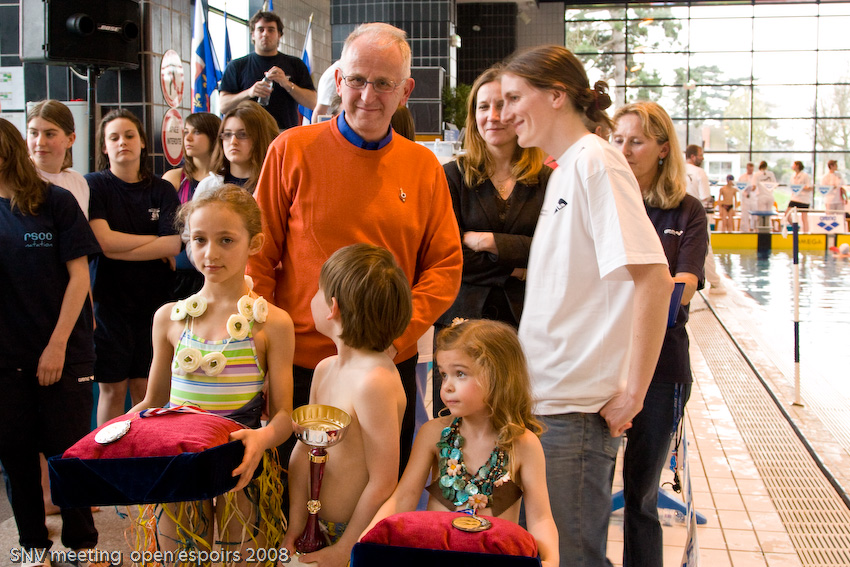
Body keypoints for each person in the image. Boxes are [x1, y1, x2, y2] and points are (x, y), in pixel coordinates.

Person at [247, 23, 463, 475]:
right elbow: (257, 257)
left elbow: (444, 267)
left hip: (385, 366)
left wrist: (394, 339)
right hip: (300, 364)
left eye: (383, 83)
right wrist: (263, 348)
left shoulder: (424, 167)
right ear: (339, 81)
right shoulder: (291, 150)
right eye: (358, 80)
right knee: (295, 496)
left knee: (377, 493)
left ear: (405, 91)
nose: (368, 95)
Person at [499, 45, 673, 567]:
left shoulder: (597, 162)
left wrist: (634, 393)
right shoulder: (565, 169)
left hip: (574, 411)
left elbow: (654, 279)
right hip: (546, 402)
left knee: (571, 558)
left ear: (556, 96)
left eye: (515, 98)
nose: (505, 113)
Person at [130, 184, 295, 558]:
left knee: (244, 559)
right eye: (199, 240)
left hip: (243, 462)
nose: (210, 253)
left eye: (226, 240)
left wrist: (262, 439)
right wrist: (110, 438)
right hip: (179, 461)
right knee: (181, 558)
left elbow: (284, 415)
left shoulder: (272, 324)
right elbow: (151, 403)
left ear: (254, 243)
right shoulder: (169, 319)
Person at [365, 319, 559, 567]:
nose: (447, 386)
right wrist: (366, 540)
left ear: (499, 376)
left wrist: (551, 560)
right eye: (443, 374)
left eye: (460, 374)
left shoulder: (523, 444)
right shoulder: (433, 433)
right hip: (436, 558)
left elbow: (541, 518)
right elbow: (404, 497)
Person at [0, 117, 103, 562]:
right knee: (16, 459)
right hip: (7, 359)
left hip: (63, 351)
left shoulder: (54, 201)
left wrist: (58, 345)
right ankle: (32, 547)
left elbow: (79, 278)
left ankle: (82, 545)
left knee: (68, 456)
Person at [612, 102, 707, 567]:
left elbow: (683, 286)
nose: (624, 150)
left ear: (663, 149)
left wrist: (641, 295)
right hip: (605, 362)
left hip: (662, 369)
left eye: (637, 141)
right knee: (590, 491)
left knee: (641, 496)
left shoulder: (686, 211)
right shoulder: (606, 203)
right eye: (618, 140)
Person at [282, 243, 412, 566]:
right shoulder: (324, 369)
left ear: (333, 307)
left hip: (354, 536)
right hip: (312, 528)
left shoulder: (374, 382)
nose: (312, 298)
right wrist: (295, 527)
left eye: (317, 290)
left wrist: (346, 548)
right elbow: (302, 453)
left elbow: (383, 482)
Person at [433, 65, 550, 416]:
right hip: (462, 326)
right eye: (484, 107)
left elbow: (555, 252)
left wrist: (489, 241)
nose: (493, 116)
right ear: (474, 116)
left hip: (527, 324)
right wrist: (517, 267)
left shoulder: (547, 181)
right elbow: (448, 255)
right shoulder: (451, 177)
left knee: (517, 422)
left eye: (503, 105)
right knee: (458, 429)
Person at [86, 109, 182, 425]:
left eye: (129, 136)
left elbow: (173, 245)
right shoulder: (94, 185)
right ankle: (107, 452)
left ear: (142, 141)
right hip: (109, 304)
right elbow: (103, 241)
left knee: (146, 389)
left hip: (154, 307)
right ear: (104, 147)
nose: (122, 142)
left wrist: (116, 248)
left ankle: (143, 450)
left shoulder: (162, 190)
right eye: (114, 137)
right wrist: (153, 243)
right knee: (112, 390)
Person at [219, 11, 317, 131]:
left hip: (284, 133)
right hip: (248, 132)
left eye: (271, 30)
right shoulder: (236, 66)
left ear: (279, 35)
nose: (265, 34)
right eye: (261, 30)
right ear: (253, 35)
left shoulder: (295, 64)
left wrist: (287, 84)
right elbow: (223, 106)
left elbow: (312, 102)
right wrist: (249, 92)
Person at [162, 112, 221, 297]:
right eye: (186, 132)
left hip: (215, 266)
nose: (187, 138)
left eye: (196, 132)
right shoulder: (174, 178)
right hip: (179, 269)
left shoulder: (223, 180)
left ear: (214, 136)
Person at [195, 101, 279, 196]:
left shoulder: (274, 185)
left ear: (259, 139)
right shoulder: (208, 185)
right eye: (227, 134)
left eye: (243, 134)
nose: (233, 141)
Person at [27, 100, 89, 218]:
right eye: (34, 133)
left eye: (49, 134)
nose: (40, 142)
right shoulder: (14, 180)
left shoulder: (78, 181)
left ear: (70, 139)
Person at [685, 144, 725, 294]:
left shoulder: (676, 169)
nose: (702, 158)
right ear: (693, 156)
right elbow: (705, 197)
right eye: (700, 155)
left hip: (675, 214)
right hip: (696, 214)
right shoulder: (699, 172)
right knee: (705, 248)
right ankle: (715, 283)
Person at [787, 161, 813, 232]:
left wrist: (801, 187)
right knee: (787, 215)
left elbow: (810, 188)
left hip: (804, 199)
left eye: (793, 165)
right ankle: (796, 228)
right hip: (794, 198)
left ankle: (805, 233)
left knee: (804, 218)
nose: (792, 166)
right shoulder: (793, 175)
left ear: (797, 166)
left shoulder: (805, 175)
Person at [738, 162, 756, 232]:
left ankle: (753, 229)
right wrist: (745, 193)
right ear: (747, 168)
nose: (750, 170)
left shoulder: (755, 177)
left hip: (754, 198)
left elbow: (757, 187)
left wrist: (753, 188)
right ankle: (744, 230)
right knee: (744, 215)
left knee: (754, 216)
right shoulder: (742, 177)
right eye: (749, 169)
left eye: (751, 169)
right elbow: (740, 189)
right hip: (745, 199)